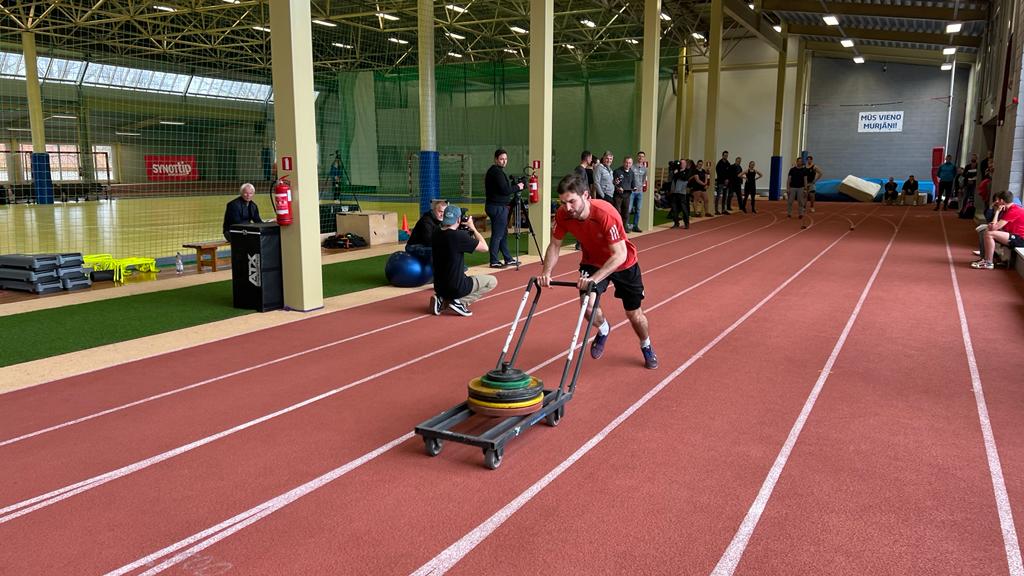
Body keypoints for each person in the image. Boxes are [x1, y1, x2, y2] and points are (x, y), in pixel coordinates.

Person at [539, 174, 658, 369]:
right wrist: (547, 272)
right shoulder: (563, 215)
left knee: (634, 314)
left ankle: (646, 345)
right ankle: (603, 329)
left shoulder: (605, 213)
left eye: (572, 201)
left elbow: (618, 255)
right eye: (563, 202)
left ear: (585, 195)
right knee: (587, 306)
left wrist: (594, 279)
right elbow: (554, 245)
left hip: (623, 263)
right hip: (592, 261)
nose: (567, 208)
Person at [430, 205, 497, 315]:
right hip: (456, 287)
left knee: (459, 274)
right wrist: (473, 228)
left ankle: (442, 298)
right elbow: (485, 248)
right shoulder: (458, 236)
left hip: (439, 286)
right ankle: (458, 302)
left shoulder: (436, 233)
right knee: (492, 281)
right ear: (458, 219)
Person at [484, 148, 523, 269]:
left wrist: (515, 186)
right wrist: (518, 186)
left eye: (505, 159)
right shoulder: (496, 172)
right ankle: (494, 261)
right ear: (496, 159)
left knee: (503, 233)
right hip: (497, 207)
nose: (504, 161)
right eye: (501, 159)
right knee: (498, 235)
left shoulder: (496, 171)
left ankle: (508, 258)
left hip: (496, 206)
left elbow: (503, 188)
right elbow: (505, 190)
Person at [971, 190, 1024, 270]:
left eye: (997, 200)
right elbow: (993, 225)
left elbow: (994, 227)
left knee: (989, 233)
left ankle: (988, 262)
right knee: (985, 231)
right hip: (1012, 234)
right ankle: (985, 258)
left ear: (1001, 200)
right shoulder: (1007, 209)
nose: (996, 202)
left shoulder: (1014, 210)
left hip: (1020, 238)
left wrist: (997, 212)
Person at [612, 156, 637, 227]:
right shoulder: (617, 171)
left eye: (629, 163)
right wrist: (618, 187)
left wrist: (634, 187)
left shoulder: (632, 172)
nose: (628, 164)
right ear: (623, 162)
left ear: (631, 164)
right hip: (618, 196)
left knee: (626, 213)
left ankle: (624, 229)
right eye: (626, 162)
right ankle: (617, 229)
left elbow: (633, 183)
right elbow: (613, 183)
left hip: (627, 196)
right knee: (617, 212)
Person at [629, 151, 649, 232]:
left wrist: (640, 186)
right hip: (632, 192)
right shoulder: (632, 167)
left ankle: (635, 226)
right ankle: (626, 225)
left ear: (644, 158)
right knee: (629, 209)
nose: (641, 158)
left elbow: (644, 180)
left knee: (638, 209)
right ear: (637, 157)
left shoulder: (645, 169)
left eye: (642, 156)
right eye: (639, 156)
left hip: (639, 192)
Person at [668, 159, 690, 229]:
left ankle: (686, 223)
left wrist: (677, 173)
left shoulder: (687, 171)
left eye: (683, 163)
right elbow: (671, 178)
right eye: (681, 163)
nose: (682, 164)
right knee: (674, 208)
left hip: (682, 192)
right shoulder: (676, 170)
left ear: (686, 164)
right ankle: (676, 223)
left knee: (684, 208)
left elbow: (684, 178)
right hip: (674, 192)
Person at [787, 157, 808, 222]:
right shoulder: (792, 170)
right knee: (790, 201)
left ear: (802, 162)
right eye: (799, 161)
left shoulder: (804, 170)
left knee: (800, 202)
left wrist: (805, 188)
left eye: (801, 161)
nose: (800, 162)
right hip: (793, 187)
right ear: (797, 162)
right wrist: (788, 188)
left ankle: (800, 214)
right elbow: (789, 179)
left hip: (801, 188)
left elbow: (805, 180)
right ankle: (789, 213)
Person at [714, 150, 730, 215]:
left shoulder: (728, 163)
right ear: (722, 155)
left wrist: (728, 179)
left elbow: (729, 172)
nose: (726, 156)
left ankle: (724, 209)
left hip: (726, 183)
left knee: (725, 196)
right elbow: (719, 173)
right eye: (725, 155)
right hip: (720, 182)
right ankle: (716, 210)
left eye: (727, 155)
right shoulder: (719, 164)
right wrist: (724, 180)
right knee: (718, 196)